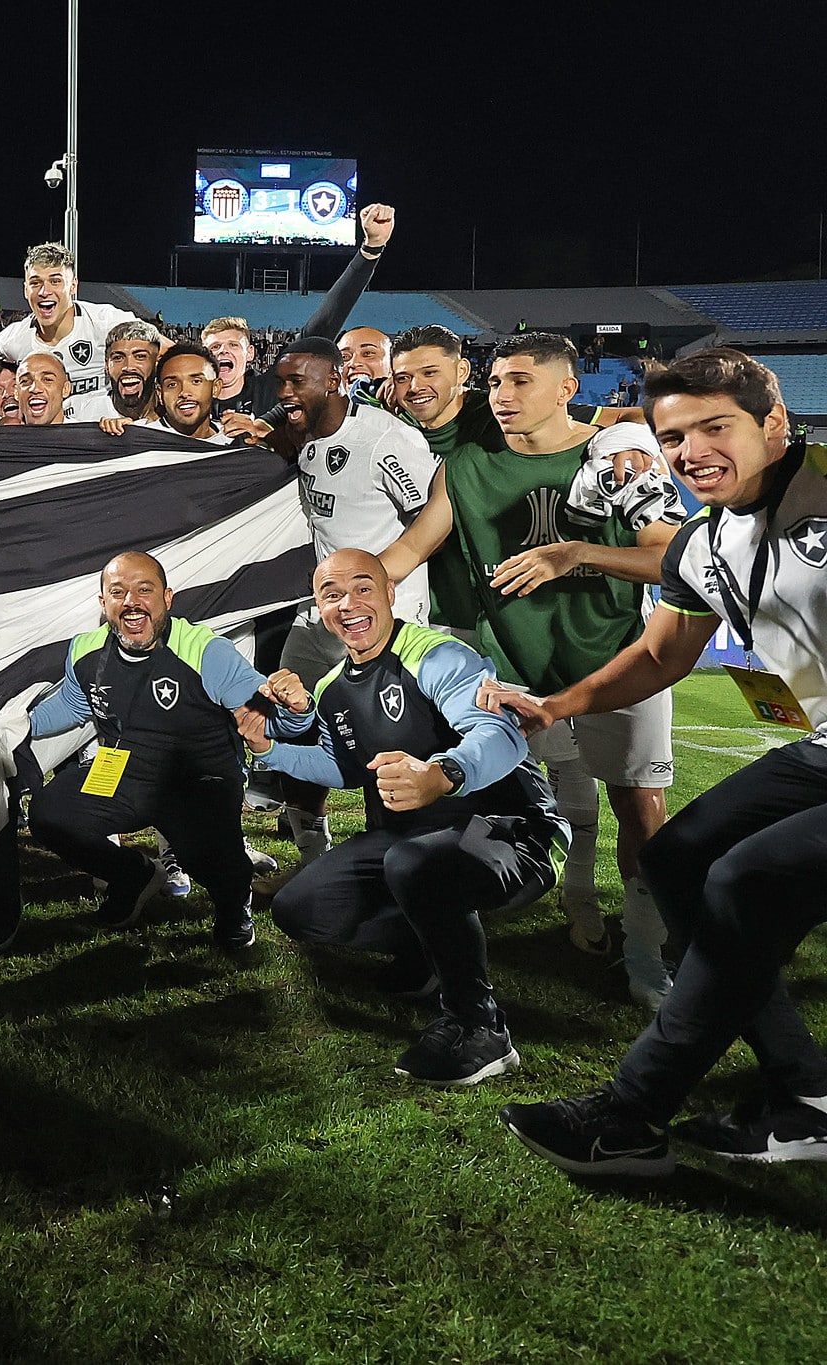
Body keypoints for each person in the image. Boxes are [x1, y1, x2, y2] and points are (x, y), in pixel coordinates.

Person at [496, 350, 827, 1174]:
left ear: (776, 424)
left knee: (745, 882)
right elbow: (658, 656)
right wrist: (559, 705)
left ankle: (629, 1115)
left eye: (716, 426)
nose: (691, 450)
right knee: (678, 860)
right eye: (675, 434)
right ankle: (809, 1093)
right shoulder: (704, 542)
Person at [379, 332, 684, 1009]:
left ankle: (643, 950)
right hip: (511, 668)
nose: (504, 394)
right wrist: (351, 582)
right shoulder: (466, 466)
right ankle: (516, 916)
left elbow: (669, 558)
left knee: (641, 809)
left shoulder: (622, 460)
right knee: (495, 801)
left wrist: (574, 553)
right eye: (498, 381)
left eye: (521, 381)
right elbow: (405, 550)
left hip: (617, 663)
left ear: (566, 389)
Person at [247, 551, 565, 1084]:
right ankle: (427, 950)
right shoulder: (331, 688)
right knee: (301, 910)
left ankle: (480, 1028)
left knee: (416, 863)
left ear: (391, 593)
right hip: (409, 840)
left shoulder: (435, 655)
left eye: (363, 588)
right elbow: (342, 767)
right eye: (331, 594)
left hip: (507, 832)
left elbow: (504, 734)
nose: (348, 605)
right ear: (319, 608)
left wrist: (442, 773)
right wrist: (269, 748)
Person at [25, 552, 312, 949]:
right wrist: (14, 724)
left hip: (199, 776)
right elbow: (73, 706)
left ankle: (233, 906)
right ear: (103, 602)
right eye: (118, 592)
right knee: (50, 813)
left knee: (210, 856)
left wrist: (298, 710)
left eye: (145, 590)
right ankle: (134, 875)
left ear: (168, 598)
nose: (132, 601)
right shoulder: (85, 651)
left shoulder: (206, 652)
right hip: (124, 768)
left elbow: (272, 719)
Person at [266, 337, 441, 868]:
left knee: (384, 757)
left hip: (383, 625)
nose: (285, 393)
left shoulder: (388, 440)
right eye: (280, 383)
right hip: (315, 621)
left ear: (337, 381)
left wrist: (371, 585)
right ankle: (313, 861)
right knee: (297, 737)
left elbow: (433, 520)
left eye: (298, 382)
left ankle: (393, 868)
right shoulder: (302, 440)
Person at [210, 203, 395, 419]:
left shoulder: (273, 388)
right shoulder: (188, 400)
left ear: (250, 353)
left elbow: (324, 325)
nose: (223, 351)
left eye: (233, 345)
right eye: (215, 346)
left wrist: (371, 249)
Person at [0, 242, 139, 402]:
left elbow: (163, 352)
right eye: (35, 283)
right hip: (46, 426)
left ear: (73, 286)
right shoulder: (8, 342)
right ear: (26, 290)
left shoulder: (106, 322)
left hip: (103, 426)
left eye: (55, 281)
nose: (44, 291)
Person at [67, 321, 165, 428]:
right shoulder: (80, 410)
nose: (128, 367)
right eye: (118, 358)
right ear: (107, 365)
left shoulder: (174, 415)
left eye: (140, 357)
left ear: (157, 363)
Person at [142, 343, 229, 443]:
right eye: (172, 385)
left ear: (215, 388)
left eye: (196, 381)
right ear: (160, 394)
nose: (184, 392)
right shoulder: (137, 438)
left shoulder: (235, 440)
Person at [14, 351, 71, 427]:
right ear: (16, 393)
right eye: (25, 381)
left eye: (47, 380)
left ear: (65, 389)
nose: (35, 389)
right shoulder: (3, 437)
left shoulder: (85, 437)